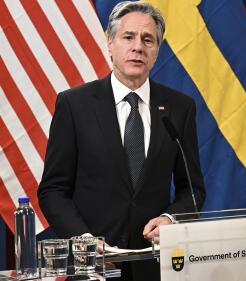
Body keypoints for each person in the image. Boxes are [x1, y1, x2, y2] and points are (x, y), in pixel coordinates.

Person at [37, 2, 205, 280]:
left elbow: (193, 189)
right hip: (92, 266)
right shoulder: (74, 105)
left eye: (148, 39)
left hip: (154, 264)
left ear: (157, 51)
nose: (138, 47)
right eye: (128, 37)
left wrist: (170, 220)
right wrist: (85, 241)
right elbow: (53, 190)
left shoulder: (179, 108)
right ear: (110, 44)